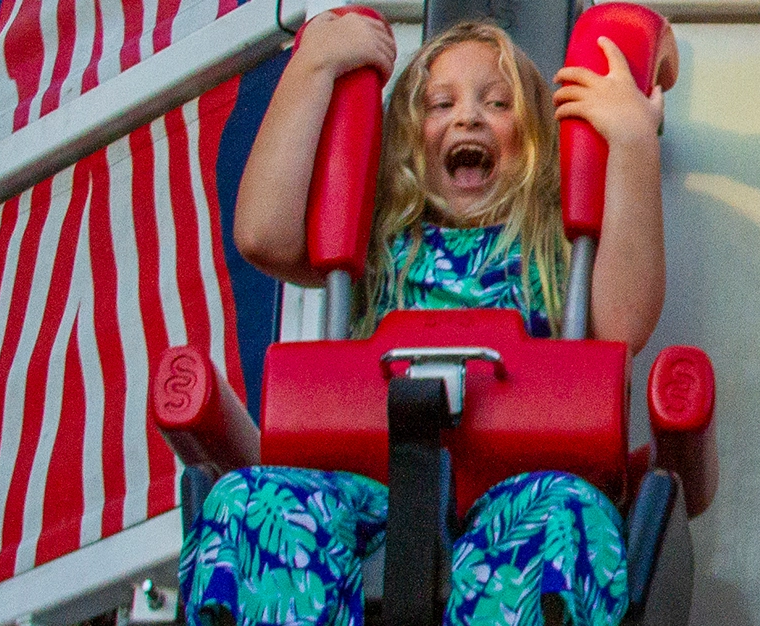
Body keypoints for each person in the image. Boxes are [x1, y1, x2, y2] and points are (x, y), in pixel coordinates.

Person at [184, 9, 668, 625]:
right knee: (249, 504)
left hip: (517, 481)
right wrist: (313, 64)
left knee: (563, 513)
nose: (468, 116)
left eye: (497, 103)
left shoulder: (553, 252)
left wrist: (629, 143)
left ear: (538, 138)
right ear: (407, 142)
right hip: (373, 483)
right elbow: (262, 235)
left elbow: (624, 322)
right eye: (440, 105)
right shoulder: (381, 248)